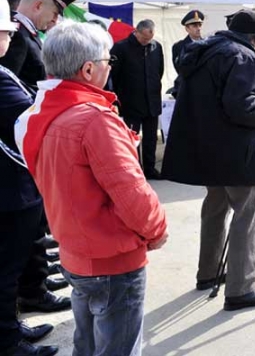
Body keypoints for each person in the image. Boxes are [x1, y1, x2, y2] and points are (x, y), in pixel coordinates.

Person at [16, 20, 168, 355]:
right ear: (88, 69)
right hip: (111, 258)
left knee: (86, 342)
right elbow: (133, 192)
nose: (109, 67)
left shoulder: (39, 112)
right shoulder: (94, 119)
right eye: (107, 61)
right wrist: (157, 230)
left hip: (76, 250)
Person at [162, 9, 255, 311]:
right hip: (237, 153)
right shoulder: (243, 56)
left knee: (215, 209)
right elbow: (242, 107)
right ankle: (241, 288)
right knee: (246, 216)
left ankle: (209, 272)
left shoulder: (205, 50)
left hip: (210, 151)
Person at [0, 0, 59, 356]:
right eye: (4, 32)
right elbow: (31, 119)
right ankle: (7, 341)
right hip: (9, 190)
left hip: (13, 187)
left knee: (10, 268)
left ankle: (9, 325)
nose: (8, 37)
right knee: (6, 271)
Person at [0, 0, 79, 90]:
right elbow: (5, 85)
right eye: (55, 13)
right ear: (38, 6)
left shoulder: (27, 32)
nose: (55, 20)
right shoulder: (17, 34)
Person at [110, 20, 165, 179]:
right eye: (144, 38)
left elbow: (159, 72)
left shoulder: (156, 47)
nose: (147, 42)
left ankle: (150, 168)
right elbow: (115, 75)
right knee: (132, 138)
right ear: (137, 32)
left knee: (151, 138)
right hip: (131, 101)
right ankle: (135, 169)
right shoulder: (121, 48)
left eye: (150, 38)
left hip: (152, 100)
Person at [171, 9, 204, 98]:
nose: (198, 28)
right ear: (187, 28)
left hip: (204, 88)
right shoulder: (179, 46)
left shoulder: (207, 44)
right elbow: (179, 69)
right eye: (194, 25)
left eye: (200, 25)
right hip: (186, 88)